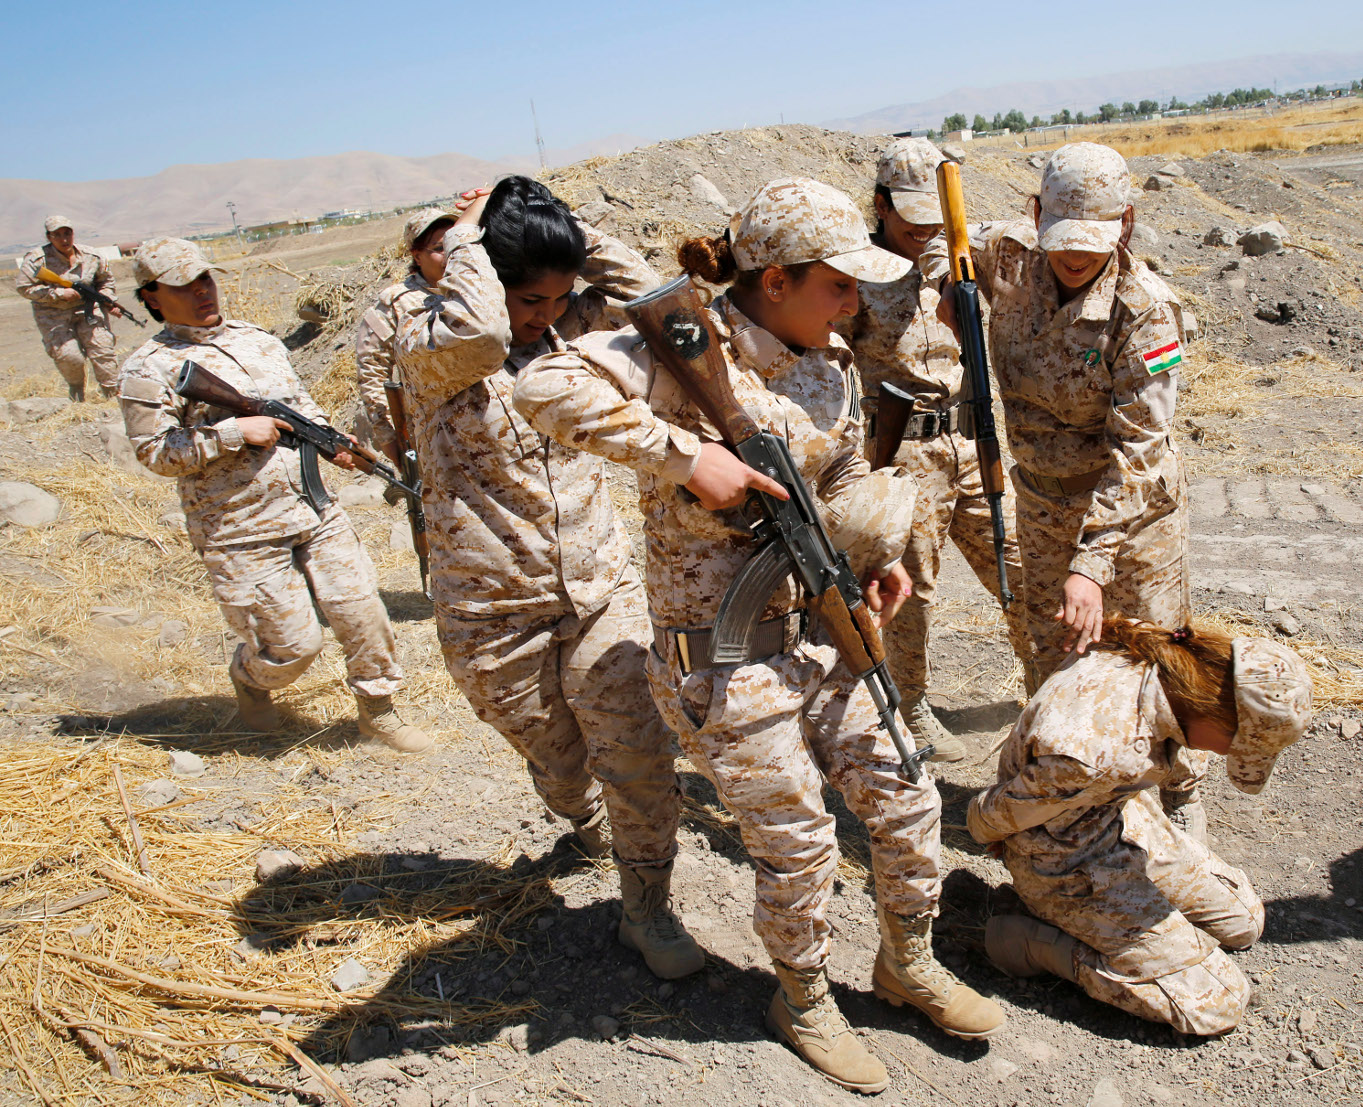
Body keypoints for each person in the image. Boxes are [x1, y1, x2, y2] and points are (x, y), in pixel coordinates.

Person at [515, 177, 1005, 1094]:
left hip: (823, 632)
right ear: (773, 281)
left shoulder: (830, 362)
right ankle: (805, 999)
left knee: (906, 793)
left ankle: (907, 963)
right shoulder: (677, 356)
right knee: (799, 839)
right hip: (726, 662)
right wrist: (684, 454)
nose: (857, 302)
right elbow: (542, 385)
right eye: (839, 285)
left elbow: (851, 463)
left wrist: (872, 552)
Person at [389, 177, 703, 981]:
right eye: (530, 296)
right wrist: (466, 236)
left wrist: (564, 229)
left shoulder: (579, 333)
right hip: (495, 612)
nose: (544, 313)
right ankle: (576, 807)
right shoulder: (432, 343)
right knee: (565, 764)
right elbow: (487, 330)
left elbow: (660, 296)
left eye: (559, 296)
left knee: (639, 752)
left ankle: (647, 907)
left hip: (600, 589)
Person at [925, 142, 1208, 835]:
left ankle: (1177, 796)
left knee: (1152, 658)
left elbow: (1140, 453)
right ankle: (1060, 793)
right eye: (1062, 240)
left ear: (1128, 224)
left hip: (1131, 520)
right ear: (1035, 216)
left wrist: (1094, 562)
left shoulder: (1146, 312)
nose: (1075, 258)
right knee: (1050, 656)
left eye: (1093, 242)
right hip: (1041, 506)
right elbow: (943, 245)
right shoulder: (1013, 255)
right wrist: (944, 288)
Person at [117, 237, 431, 753]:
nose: (201, 293)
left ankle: (379, 713)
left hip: (314, 509)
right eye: (183, 287)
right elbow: (155, 452)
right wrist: (235, 433)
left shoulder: (257, 341)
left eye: (205, 280)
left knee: (362, 612)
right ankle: (250, 677)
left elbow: (298, 405)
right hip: (239, 528)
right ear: (151, 297)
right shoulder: (148, 368)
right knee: (293, 649)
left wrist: (331, 442)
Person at [966, 617, 1313, 1036]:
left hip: (1121, 819)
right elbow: (993, 815)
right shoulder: (1102, 752)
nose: (1227, 756)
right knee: (1218, 1003)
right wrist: (1005, 843)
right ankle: (1033, 944)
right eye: (1235, 746)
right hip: (1063, 864)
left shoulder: (1168, 663)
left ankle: (1150, 940)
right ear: (1214, 714)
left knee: (1243, 923)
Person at [834, 137, 1029, 763]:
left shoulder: (956, 260)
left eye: (932, 218)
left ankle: (1048, 684)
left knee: (1021, 564)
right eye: (910, 216)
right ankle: (908, 709)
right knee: (910, 590)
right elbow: (830, 364)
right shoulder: (858, 279)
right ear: (882, 205)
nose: (923, 230)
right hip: (902, 452)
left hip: (969, 440)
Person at [354, 207, 457, 464]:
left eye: (455, 244)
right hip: (434, 437)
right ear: (417, 255)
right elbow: (372, 373)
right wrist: (389, 439)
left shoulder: (478, 288)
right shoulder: (396, 304)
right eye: (439, 248)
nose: (450, 255)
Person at [15, 215, 122, 401]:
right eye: (57, 235)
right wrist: (58, 294)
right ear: (49, 237)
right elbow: (24, 287)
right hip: (53, 315)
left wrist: (108, 299)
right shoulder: (36, 260)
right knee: (69, 357)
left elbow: (105, 280)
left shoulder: (91, 256)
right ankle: (77, 394)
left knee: (103, 350)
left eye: (67, 233)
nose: (64, 239)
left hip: (89, 310)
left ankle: (114, 399)